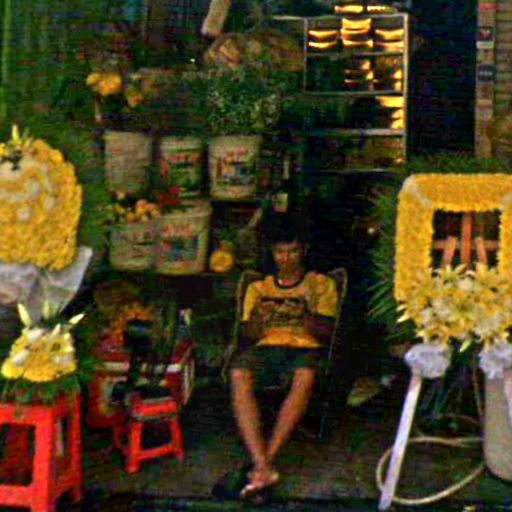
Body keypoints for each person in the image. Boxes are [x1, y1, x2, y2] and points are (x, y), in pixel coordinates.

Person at [229, 212, 339, 500]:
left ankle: (266, 460)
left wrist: (306, 314)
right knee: (238, 371)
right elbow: (248, 336)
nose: (286, 259)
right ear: (272, 253)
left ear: (303, 251)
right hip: (266, 349)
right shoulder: (258, 287)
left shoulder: (320, 284)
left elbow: (327, 334)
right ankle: (262, 464)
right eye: (280, 252)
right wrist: (257, 316)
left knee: (305, 374)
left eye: (293, 251)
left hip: (304, 349)